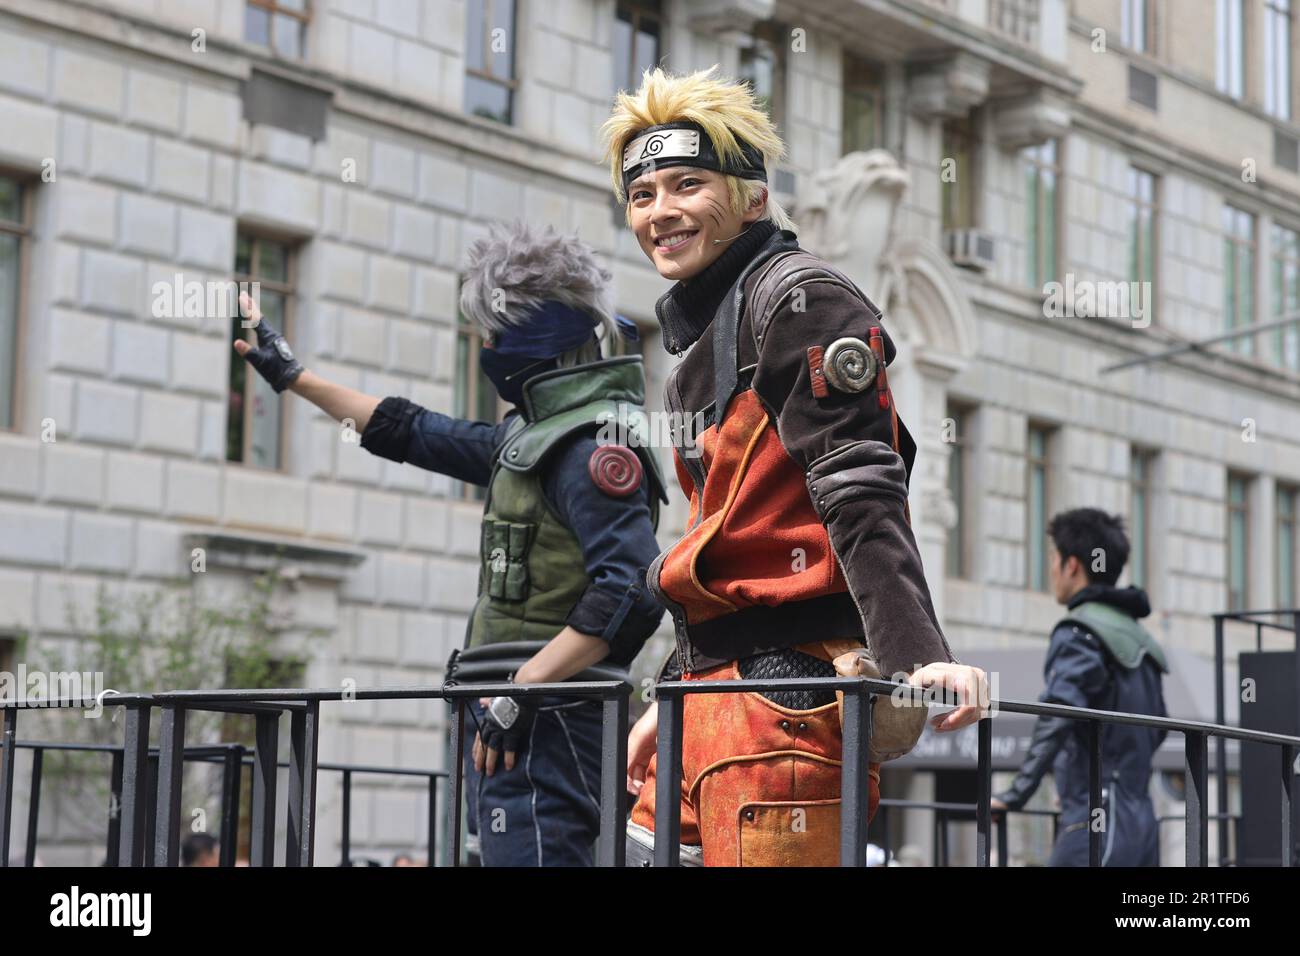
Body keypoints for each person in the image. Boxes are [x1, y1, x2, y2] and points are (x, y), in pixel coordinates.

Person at [599, 65, 988, 867]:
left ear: (753, 198)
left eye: (687, 184)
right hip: (712, 703)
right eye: (642, 195)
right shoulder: (706, 341)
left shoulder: (804, 300)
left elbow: (858, 487)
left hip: (783, 712)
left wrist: (918, 661)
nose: (661, 211)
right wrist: (677, 688)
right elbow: (730, 541)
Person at [233, 220, 669, 866]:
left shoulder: (589, 450)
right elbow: (412, 431)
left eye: (494, 331)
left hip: (547, 715)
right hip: (515, 709)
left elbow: (632, 589)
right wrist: (293, 377)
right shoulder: (532, 441)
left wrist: (523, 690)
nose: (486, 346)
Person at [992, 508, 1169, 866]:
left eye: (1054, 559)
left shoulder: (1078, 631)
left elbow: (1057, 715)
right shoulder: (1143, 638)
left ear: (1072, 565)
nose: (1052, 570)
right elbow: (1158, 727)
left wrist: (1014, 794)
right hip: (1142, 821)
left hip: (1097, 820)